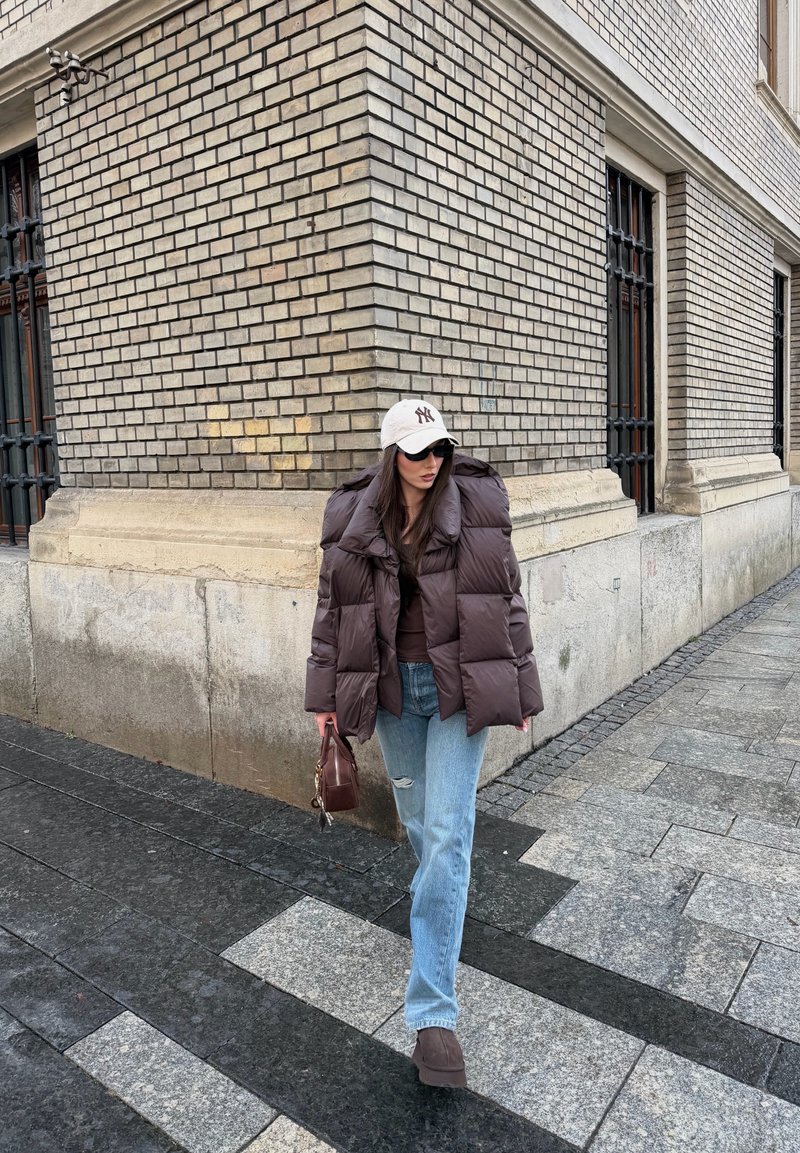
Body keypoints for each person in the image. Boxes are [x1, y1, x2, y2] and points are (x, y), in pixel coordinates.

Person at [305, 398, 543, 1088]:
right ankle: (435, 914)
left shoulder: (476, 501)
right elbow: (332, 614)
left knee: (446, 834)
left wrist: (519, 687)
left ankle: (433, 1014)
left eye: (438, 448)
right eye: (416, 452)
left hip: (457, 689)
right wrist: (324, 700)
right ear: (391, 455)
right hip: (391, 692)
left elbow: (507, 595)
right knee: (421, 828)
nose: (430, 462)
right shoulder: (351, 516)